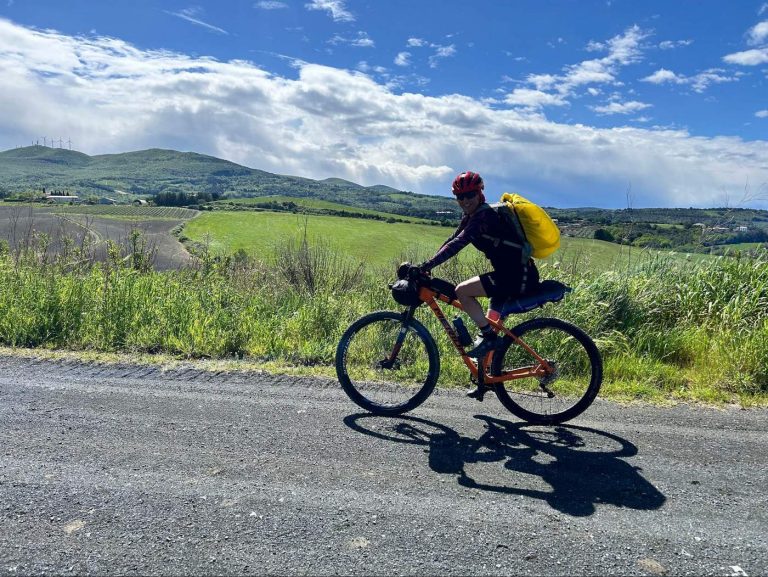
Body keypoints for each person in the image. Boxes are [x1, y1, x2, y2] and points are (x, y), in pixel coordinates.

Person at [417, 171, 539, 397]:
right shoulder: (472, 216)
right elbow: (452, 240)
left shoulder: (484, 216)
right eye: (460, 197)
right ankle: (484, 380)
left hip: (517, 276)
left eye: (470, 195)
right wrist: (427, 265)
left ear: (480, 193)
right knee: (487, 326)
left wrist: (428, 265)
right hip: (510, 274)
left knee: (462, 292)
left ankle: (490, 339)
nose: (465, 200)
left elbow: (460, 243)